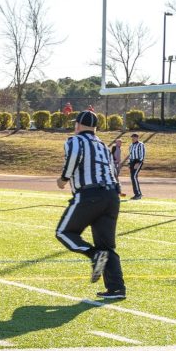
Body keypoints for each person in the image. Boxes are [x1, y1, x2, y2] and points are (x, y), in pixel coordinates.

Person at [55, 110, 126, 300]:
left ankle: (93, 255)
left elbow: (73, 158)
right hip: (112, 196)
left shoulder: (75, 141)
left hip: (89, 194)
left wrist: (63, 179)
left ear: (77, 125)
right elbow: (112, 170)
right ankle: (116, 288)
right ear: (95, 128)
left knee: (64, 232)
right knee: (106, 246)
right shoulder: (103, 145)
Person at [122, 132, 145, 200]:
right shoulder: (131, 145)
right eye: (132, 137)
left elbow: (142, 154)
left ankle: (138, 194)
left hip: (137, 161)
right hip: (132, 162)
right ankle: (137, 193)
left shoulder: (141, 144)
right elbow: (131, 155)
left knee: (134, 176)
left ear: (137, 138)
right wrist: (129, 163)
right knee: (133, 177)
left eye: (134, 137)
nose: (133, 138)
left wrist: (138, 162)